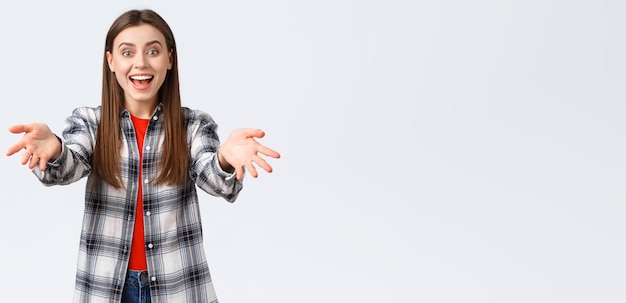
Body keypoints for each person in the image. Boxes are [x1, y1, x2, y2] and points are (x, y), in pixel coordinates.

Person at [6, 9, 280, 303]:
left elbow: (215, 179)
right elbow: (67, 167)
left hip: (178, 288)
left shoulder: (193, 126)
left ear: (170, 59)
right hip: (107, 289)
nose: (141, 63)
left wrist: (225, 158)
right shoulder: (90, 122)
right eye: (127, 52)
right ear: (110, 61)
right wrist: (56, 150)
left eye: (153, 51)